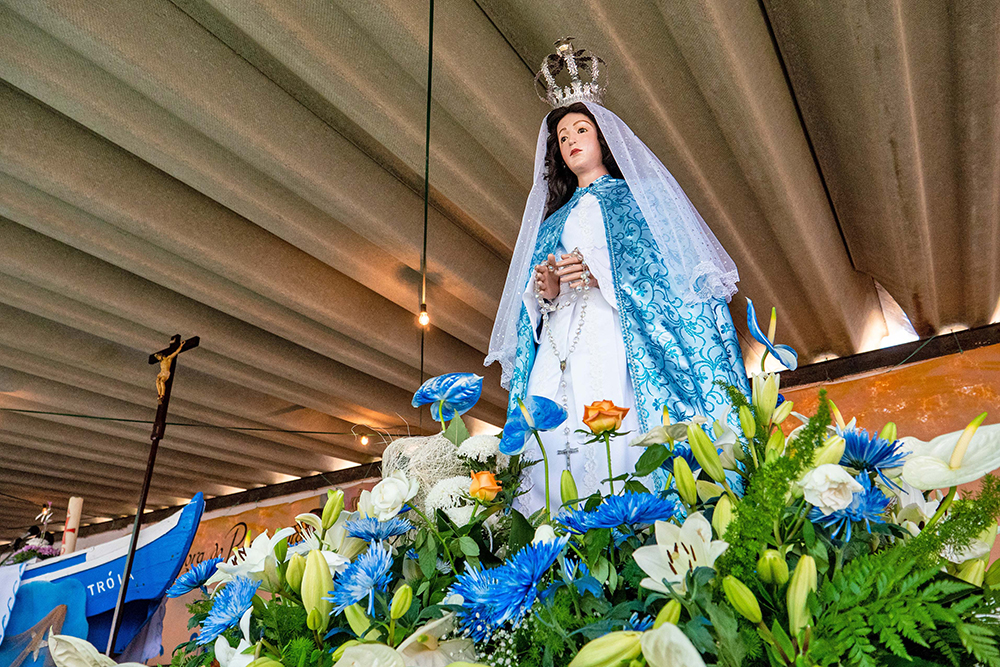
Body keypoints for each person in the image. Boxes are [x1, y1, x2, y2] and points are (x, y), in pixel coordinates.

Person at [485, 39, 751, 513]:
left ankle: (632, 520)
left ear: (603, 138)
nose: (570, 141)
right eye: (562, 137)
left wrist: (601, 274)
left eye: (580, 129)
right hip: (562, 339)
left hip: (619, 331)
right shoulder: (551, 222)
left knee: (618, 426)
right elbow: (539, 302)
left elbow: (664, 273)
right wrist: (546, 293)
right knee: (551, 443)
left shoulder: (638, 199)